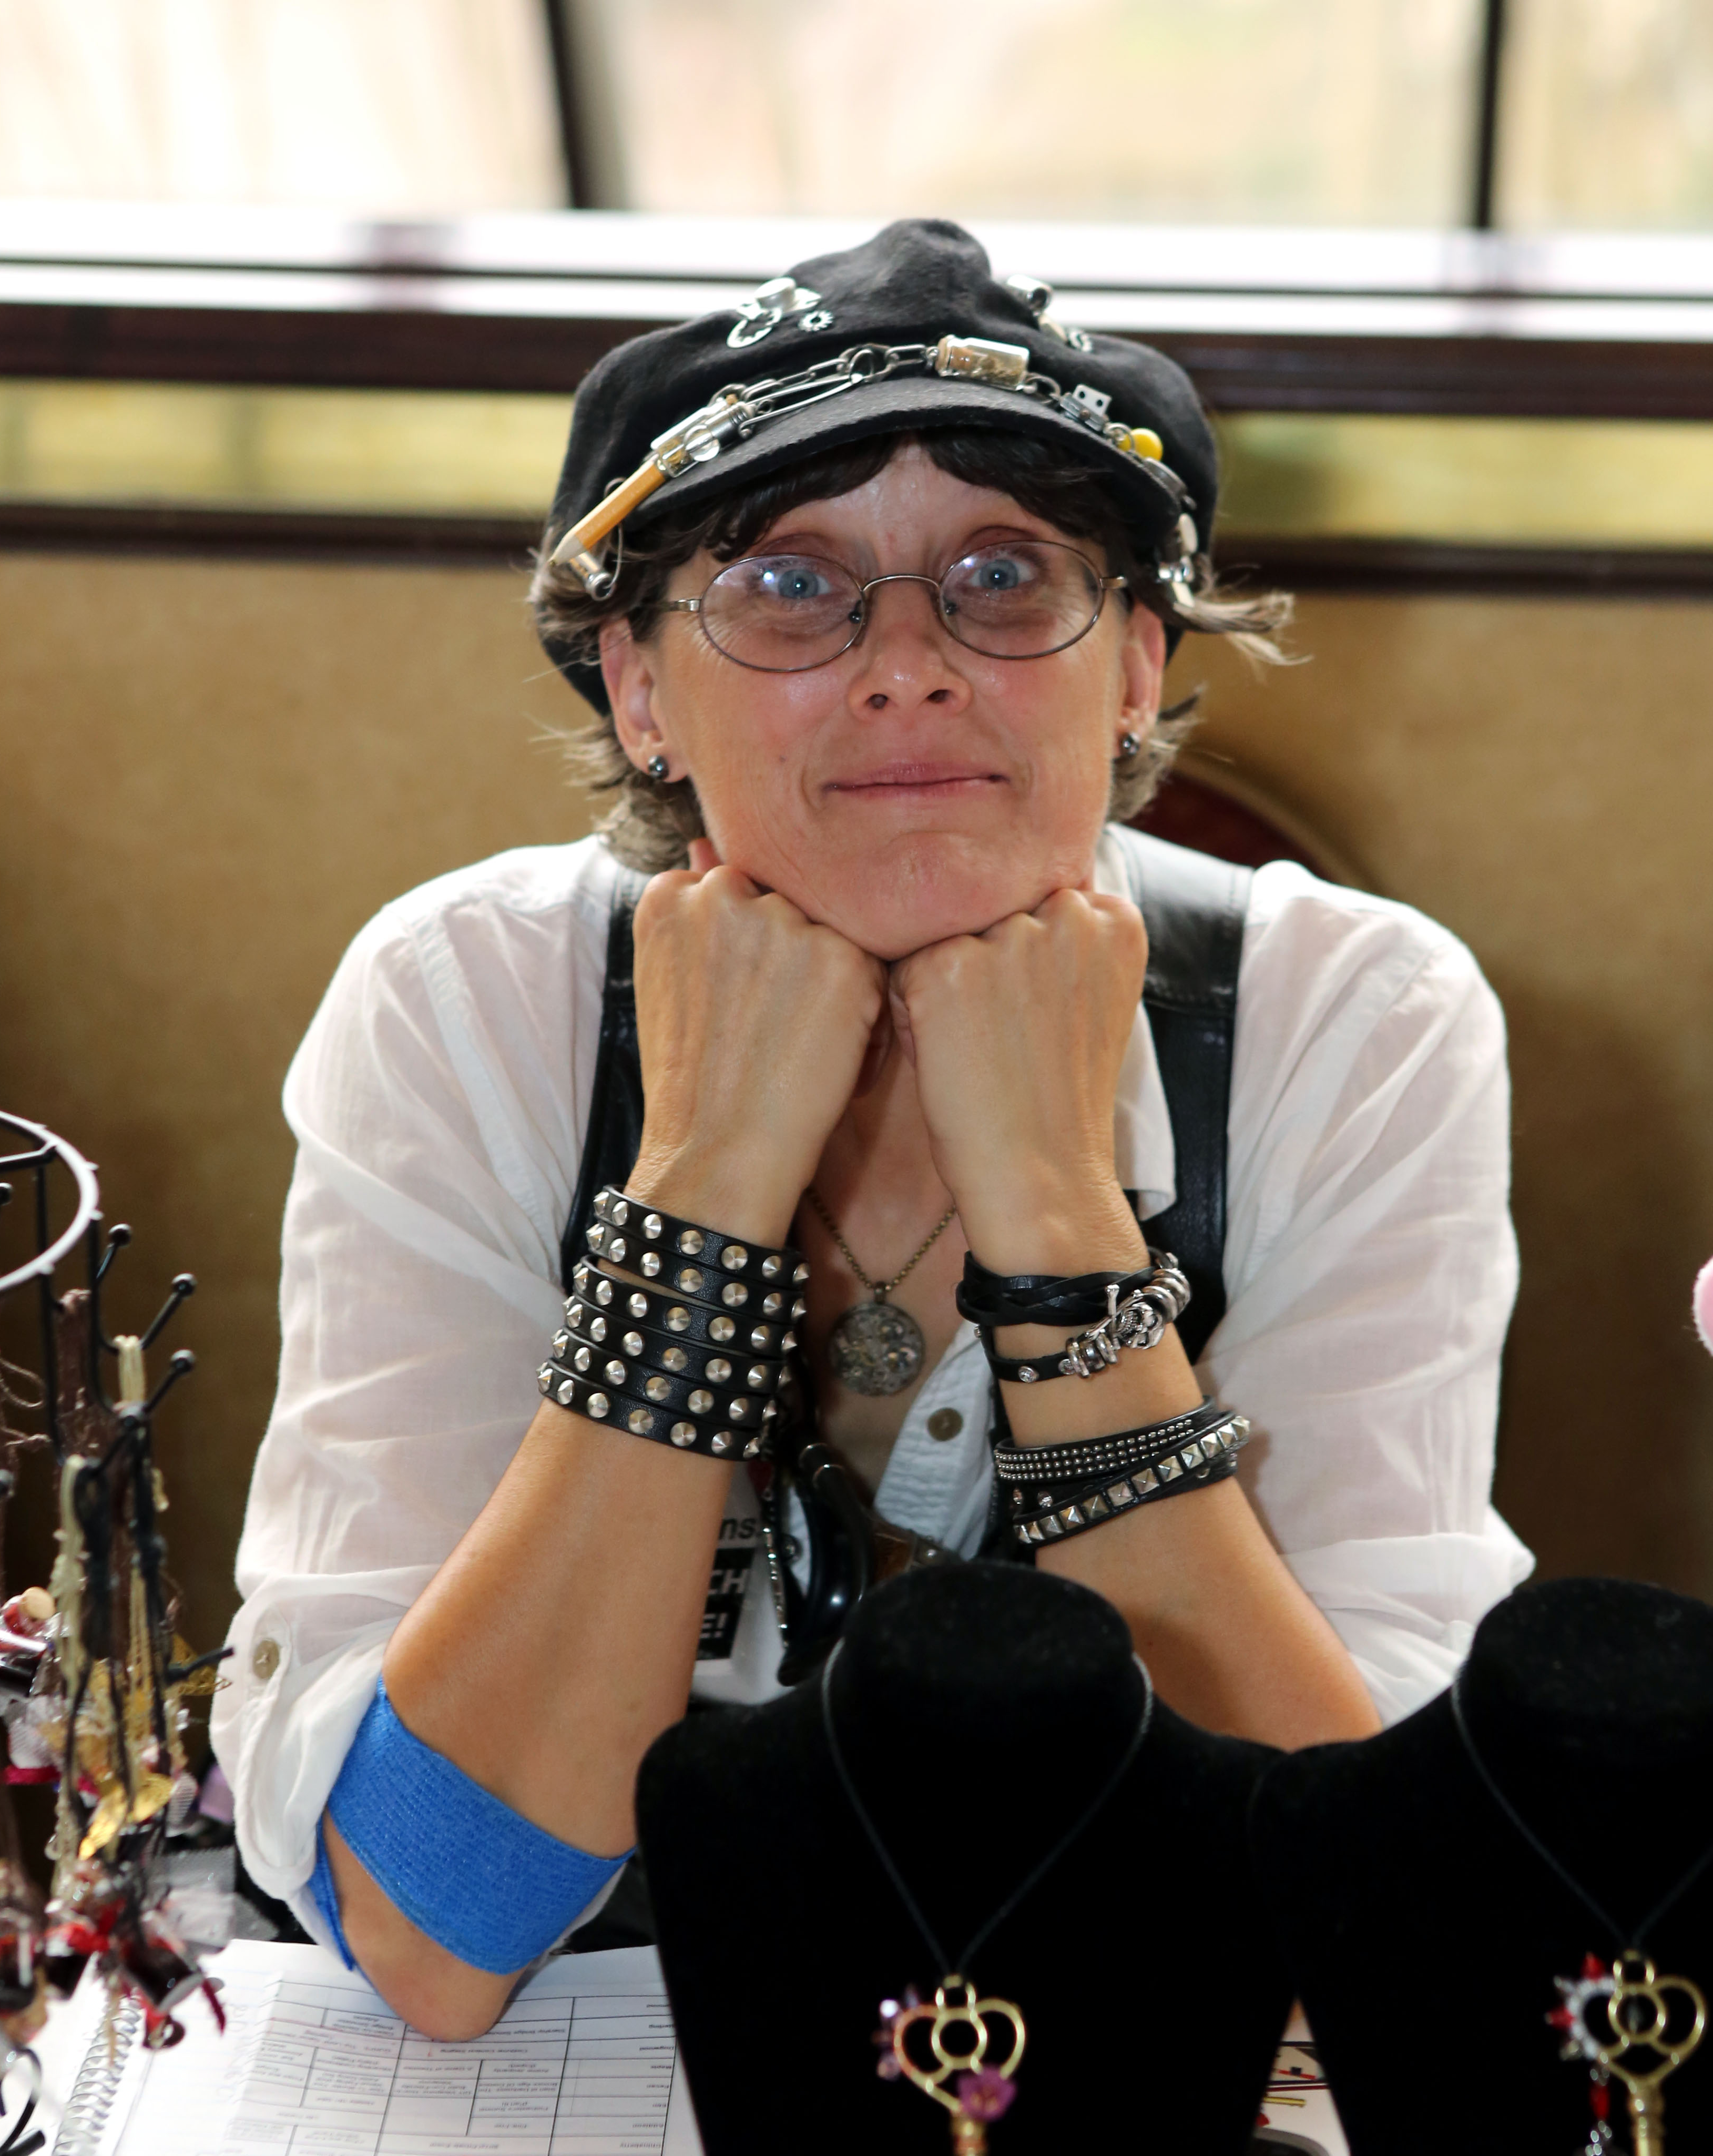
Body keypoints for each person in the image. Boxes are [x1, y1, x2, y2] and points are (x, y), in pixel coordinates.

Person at [215, 220, 1531, 2039]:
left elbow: (1347, 1913)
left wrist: (1064, 1229)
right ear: (640, 689)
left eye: (1004, 574)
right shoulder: (465, 1003)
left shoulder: (1356, 1022)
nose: (909, 662)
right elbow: (437, 1927)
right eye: (789, 583)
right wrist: (702, 1196)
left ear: (1134, 663)